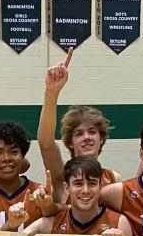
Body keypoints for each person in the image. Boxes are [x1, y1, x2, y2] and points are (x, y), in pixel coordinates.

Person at [37, 49, 121, 199]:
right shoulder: (61, 175)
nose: (87, 137)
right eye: (79, 133)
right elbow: (45, 143)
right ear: (70, 142)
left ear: (101, 138)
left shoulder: (114, 178)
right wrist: (51, 93)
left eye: (92, 131)